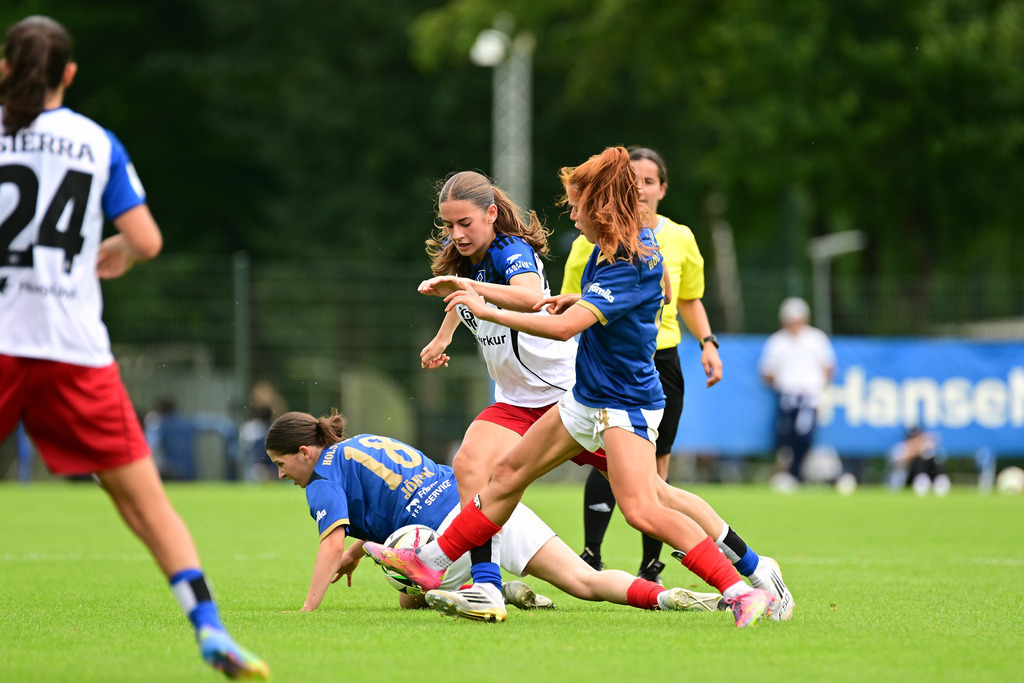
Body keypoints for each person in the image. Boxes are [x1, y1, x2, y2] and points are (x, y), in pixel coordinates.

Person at [366, 147, 780, 628]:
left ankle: (744, 583)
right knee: (501, 474)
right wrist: (575, 298)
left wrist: (489, 307)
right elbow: (605, 306)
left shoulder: (628, 258)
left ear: (600, 208)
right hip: (583, 399)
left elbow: (563, 325)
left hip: (619, 404)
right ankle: (443, 566)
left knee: (647, 506)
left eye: (576, 206)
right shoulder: (607, 254)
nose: (573, 217)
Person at [0, 16, 267, 679]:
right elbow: (145, 240)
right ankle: (209, 626)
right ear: (69, 74)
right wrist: (110, 253)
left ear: (4, 67)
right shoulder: (96, 143)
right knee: (144, 501)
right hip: (73, 348)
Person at [263, 409, 724, 615]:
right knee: (584, 581)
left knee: (408, 595)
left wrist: (308, 608)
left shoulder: (322, 478)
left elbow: (330, 542)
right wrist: (361, 550)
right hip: (486, 504)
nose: (282, 475)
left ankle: (488, 588)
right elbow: (393, 498)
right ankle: (674, 598)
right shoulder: (359, 445)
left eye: (282, 465)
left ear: (305, 451)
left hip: (447, 538)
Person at [562, 146, 722, 584]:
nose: (640, 188)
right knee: (606, 464)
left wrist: (708, 343)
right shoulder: (588, 241)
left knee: (654, 474)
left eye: (649, 181)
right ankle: (591, 554)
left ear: (663, 188)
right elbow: (575, 306)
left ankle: (657, 564)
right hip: (605, 363)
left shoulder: (677, 238)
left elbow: (683, 296)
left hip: (657, 357)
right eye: (632, 180)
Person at [759, 297, 836, 484]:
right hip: (787, 396)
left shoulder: (816, 339)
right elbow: (766, 372)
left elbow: (828, 367)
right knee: (785, 436)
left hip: (810, 397)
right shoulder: (777, 342)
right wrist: (783, 384)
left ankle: (796, 474)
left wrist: (817, 388)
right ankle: (788, 473)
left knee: (804, 436)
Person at [889, 426, 950, 496]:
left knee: (929, 458)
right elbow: (900, 463)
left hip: (923, 475)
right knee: (919, 460)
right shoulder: (901, 448)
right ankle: (921, 479)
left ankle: (938, 479)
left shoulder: (924, 449)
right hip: (904, 479)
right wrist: (916, 451)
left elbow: (940, 457)